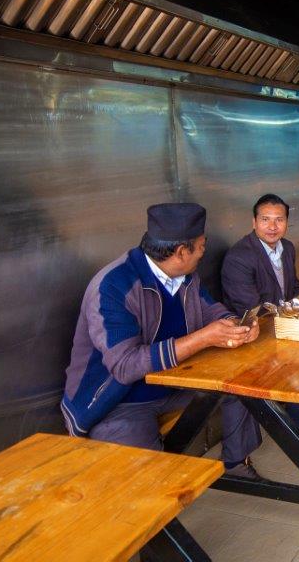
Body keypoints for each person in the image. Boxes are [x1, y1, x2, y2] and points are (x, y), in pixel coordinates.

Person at [60, 203, 263, 480]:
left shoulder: (184, 276)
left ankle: (236, 464)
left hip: (173, 382)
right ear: (181, 252)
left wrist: (236, 325)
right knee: (150, 480)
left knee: (242, 385)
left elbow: (210, 310)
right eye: (201, 246)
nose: (203, 252)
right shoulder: (113, 286)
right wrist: (203, 338)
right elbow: (125, 366)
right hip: (117, 402)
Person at [221, 194, 299, 449]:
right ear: (254, 222)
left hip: (285, 321)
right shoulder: (239, 257)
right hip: (255, 331)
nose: (272, 226)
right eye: (265, 219)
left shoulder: (287, 248)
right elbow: (250, 309)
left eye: (279, 220)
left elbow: (294, 289)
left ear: (287, 223)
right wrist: (293, 323)